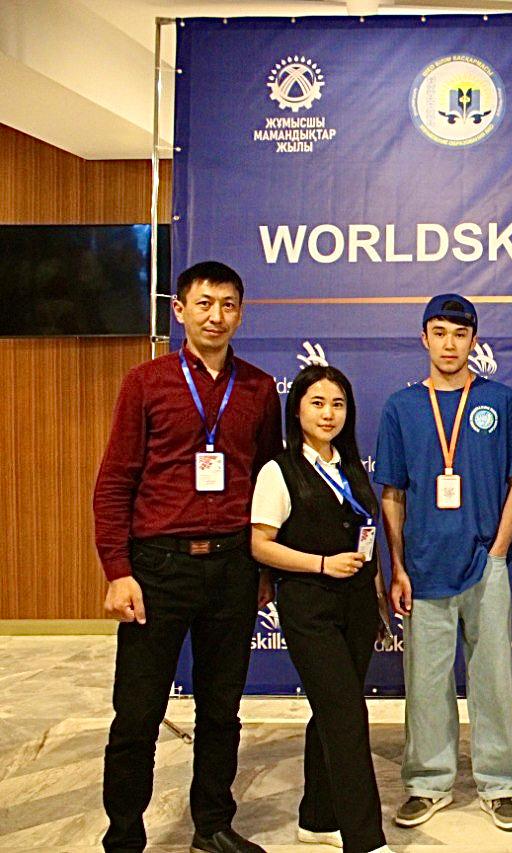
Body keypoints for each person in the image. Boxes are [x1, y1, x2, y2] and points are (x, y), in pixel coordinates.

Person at [93, 261, 281, 853]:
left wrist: (265, 568)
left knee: (221, 710)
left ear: (241, 313)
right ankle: (124, 834)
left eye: (228, 305)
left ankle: (213, 826)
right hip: (158, 569)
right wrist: (118, 571)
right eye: (203, 304)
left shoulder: (258, 389)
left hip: (233, 569)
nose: (215, 316)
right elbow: (115, 481)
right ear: (179, 310)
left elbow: (269, 484)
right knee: (137, 713)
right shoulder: (145, 382)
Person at [375, 295, 512, 832]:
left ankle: (501, 783)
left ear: (473, 341)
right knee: (425, 683)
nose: (449, 344)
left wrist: (499, 551)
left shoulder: (499, 401)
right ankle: (427, 782)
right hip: (422, 567)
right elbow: (392, 492)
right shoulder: (402, 406)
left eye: (460, 335)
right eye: (439, 333)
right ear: (424, 338)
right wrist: (397, 565)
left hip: (485, 563)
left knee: (493, 680)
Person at [250, 365, 394, 853]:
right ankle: (365, 840)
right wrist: (321, 564)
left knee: (331, 713)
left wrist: (377, 594)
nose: (328, 413)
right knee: (347, 717)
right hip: (309, 606)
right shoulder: (279, 471)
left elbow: (366, 537)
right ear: (297, 410)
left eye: (337, 404)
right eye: (317, 403)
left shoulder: (350, 466)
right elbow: (260, 545)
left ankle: (317, 817)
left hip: (357, 606)